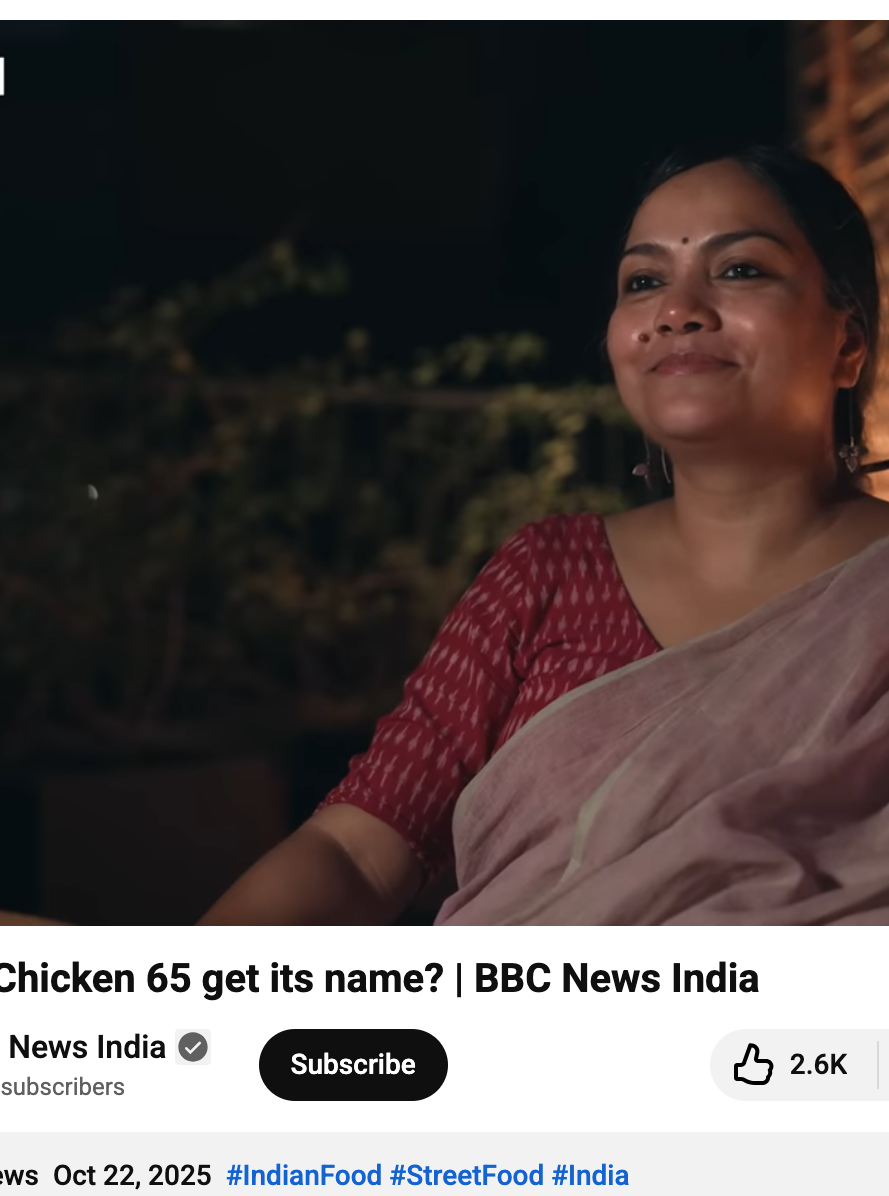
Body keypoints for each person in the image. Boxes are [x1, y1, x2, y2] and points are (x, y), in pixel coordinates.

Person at [199, 142, 889, 927]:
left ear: (847, 344)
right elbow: (356, 850)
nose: (678, 308)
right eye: (644, 281)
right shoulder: (547, 576)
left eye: (740, 271)